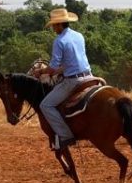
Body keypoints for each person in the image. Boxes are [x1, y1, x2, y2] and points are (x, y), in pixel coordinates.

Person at [35, 8, 92, 150]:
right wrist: (56, 71)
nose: (53, 28)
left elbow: (53, 67)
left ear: (60, 24)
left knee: (45, 105)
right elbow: (71, 62)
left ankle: (65, 136)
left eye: (54, 25)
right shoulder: (79, 36)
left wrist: (41, 71)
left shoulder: (59, 41)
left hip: (73, 81)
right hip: (90, 76)